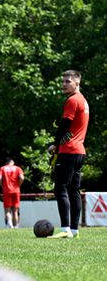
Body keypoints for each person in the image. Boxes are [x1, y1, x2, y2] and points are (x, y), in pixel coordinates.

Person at [48, 70, 89, 239]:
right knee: (74, 190)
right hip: (79, 151)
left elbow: (65, 124)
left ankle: (65, 229)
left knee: (61, 188)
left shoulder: (73, 100)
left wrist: (55, 145)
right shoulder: (83, 101)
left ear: (77, 83)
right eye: (63, 81)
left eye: (67, 81)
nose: (64, 84)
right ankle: (74, 230)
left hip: (69, 151)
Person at [0, 157, 24, 228]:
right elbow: (22, 178)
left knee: (7, 209)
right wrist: (18, 185)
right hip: (16, 190)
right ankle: (16, 226)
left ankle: (10, 225)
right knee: (15, 210)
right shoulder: (18, 168)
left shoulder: (2, 168)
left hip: (6, 190)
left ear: (6, 163)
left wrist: (2, 186)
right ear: (12, 162)